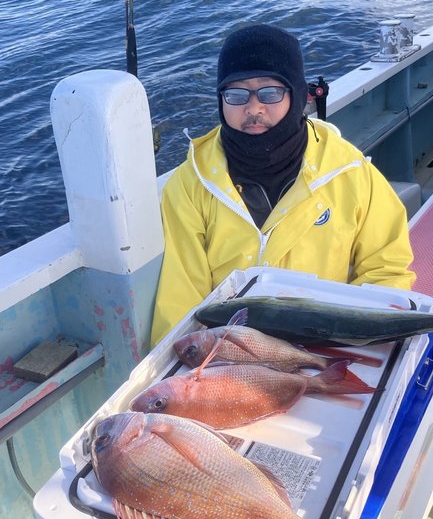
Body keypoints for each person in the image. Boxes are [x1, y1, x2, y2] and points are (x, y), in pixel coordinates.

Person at [151, 24, 415, 344]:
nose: (253, 108)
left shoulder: (350, 172)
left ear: (297, 94)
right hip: (229, 352)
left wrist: (350, 340)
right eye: (236, 94)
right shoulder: (190, 185)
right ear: (220, 100)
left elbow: (387, 270)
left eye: (270, 92)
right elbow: (180, 302)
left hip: (328, 344)